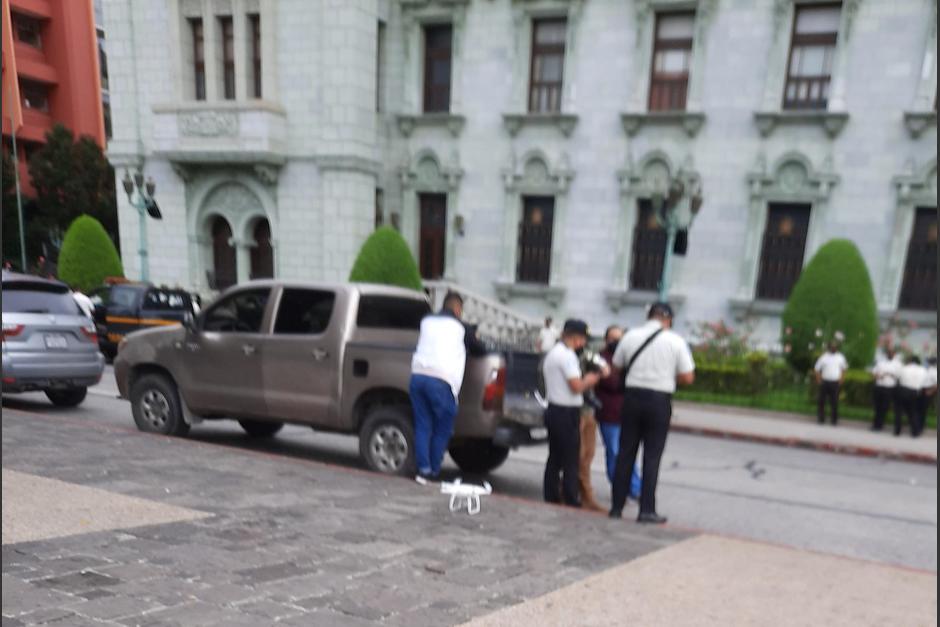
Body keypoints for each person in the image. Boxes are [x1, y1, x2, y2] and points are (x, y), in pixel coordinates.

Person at [609, 302, 695, 524]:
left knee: (625, 452)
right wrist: (665, 375)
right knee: (652, 456)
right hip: (659, 400)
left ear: (649, 316)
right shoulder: (676, 341)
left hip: (632, 397)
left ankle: (617, 507)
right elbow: (688, 377)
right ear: (668, 319)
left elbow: (616, 366)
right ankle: (646, 509)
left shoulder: (630, 337)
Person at [410, 291, 487, 484]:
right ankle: (434, 471)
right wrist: (474, 336)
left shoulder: (426, 321)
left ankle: (423, 470)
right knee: (443, 428)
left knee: (422, 425)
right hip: (441, 381)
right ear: (458, 309)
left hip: (417, 376)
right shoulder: (462, 328)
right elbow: (481, 350)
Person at [541, 319, 603, 507]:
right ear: (576, 338)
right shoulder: (567, 356)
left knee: (555, 455)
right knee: (570, 457)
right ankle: (570, 496)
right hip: (566, 411)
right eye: (583, 339)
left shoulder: (552, 353)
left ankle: (551, 494)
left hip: (553, 408)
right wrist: (592, 379)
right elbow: (576, 386)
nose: (583, 344)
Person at [596, 325, 641, 498]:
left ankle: (634, 487)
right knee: (614, 452)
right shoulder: (601, 359)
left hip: (627, 413)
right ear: (606, 340)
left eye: (619, 339)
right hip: (609, 413)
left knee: (628, 453)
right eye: (612, 338)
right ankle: (624, 487)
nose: (616, 342)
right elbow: (612, 383)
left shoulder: (626, 357)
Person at [814, 342, 848, 425]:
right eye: (832, 347)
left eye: (835, 347)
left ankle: (834, 420)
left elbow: (844, 369)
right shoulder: (823, 357)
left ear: (837, 348)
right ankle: (821, 418)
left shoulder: (840, 357)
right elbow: (817, 369)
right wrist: (818, 380)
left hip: (835, 383)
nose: (833, 348)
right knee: (821, 401)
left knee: (834, 402)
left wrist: (841, 380)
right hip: (824, 382)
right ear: (829, 347)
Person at [871, 347, 902, 432]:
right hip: (879, 386)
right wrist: (878, 376)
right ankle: (875, 425)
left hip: (889, 388)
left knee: (884, 407)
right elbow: (874, 373)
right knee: (877, 407)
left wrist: (891, 374)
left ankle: (880, 425)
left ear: (894, 354)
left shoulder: (898, 364)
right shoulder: (880, 362)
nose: (890, 354)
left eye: (892, 353)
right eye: (889, 353)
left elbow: (899, 376)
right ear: (886, 354)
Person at [897, 355, 927, 437]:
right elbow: (923, 382)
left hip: (904, 390)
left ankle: (897, 431)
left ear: (910, 361)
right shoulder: (923, 370)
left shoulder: (905, 368)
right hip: (915, 392)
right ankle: (915, 432)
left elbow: (899, 378)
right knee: (913, 412)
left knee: (899, 411)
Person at [919, 357, 937, 435]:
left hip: (928, 391)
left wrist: (930, 391)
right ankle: (918, 425)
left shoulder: (934, 371)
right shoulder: (925, 370)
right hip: (922, 390)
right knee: (919, 409)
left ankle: (921, 427)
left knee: (923, 410)